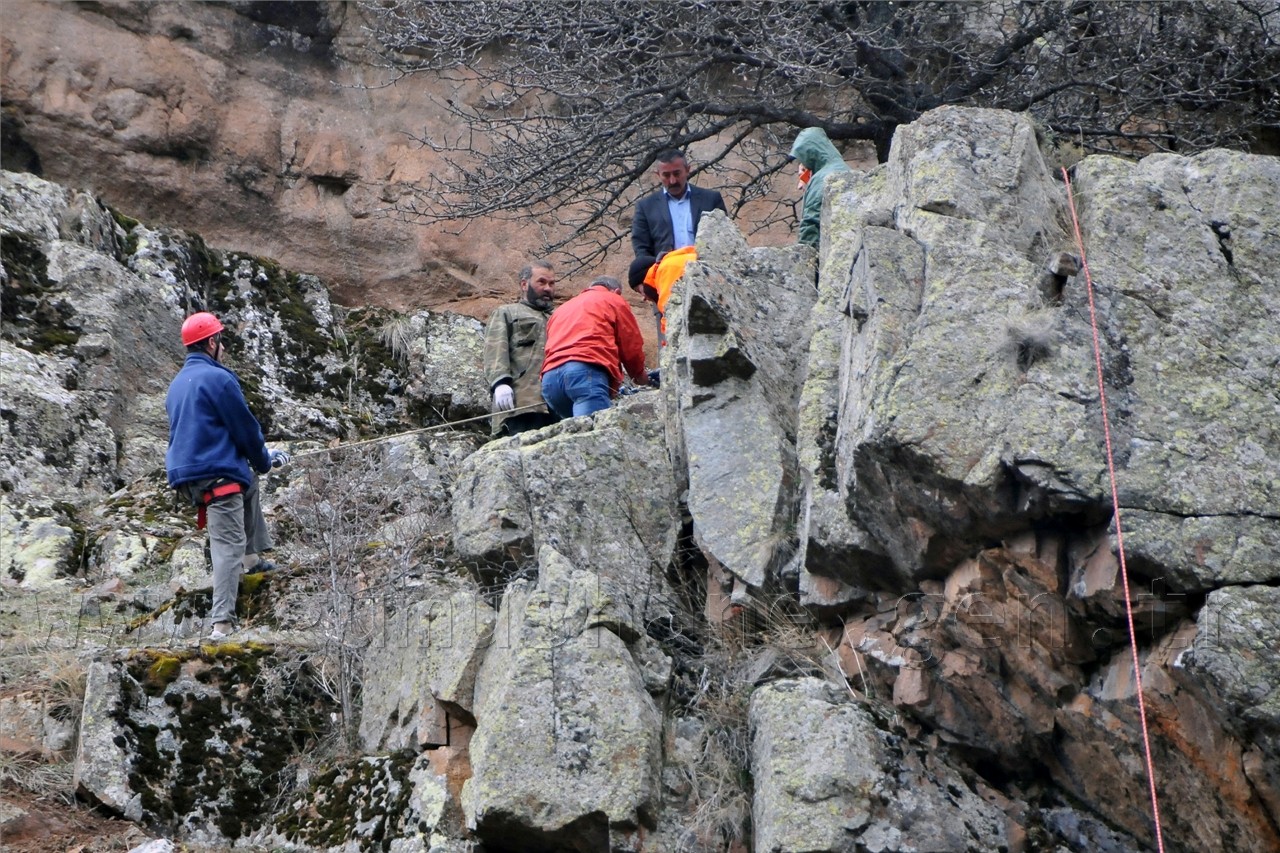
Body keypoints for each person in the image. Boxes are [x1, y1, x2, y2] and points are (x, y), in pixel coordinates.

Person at [165, 311, 288, 641]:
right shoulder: (219, 379)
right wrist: (266, 460)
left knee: (249, 483)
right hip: (217, 475)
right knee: (227, 543)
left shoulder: (178, 384)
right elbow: (245, 429)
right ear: (211, 342)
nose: (224, 347)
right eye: (221, 340)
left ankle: (252, 557)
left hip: (188, 475)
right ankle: (222, 625)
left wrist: (257, 467)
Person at [541, 276, 649, 418]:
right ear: (616, 291)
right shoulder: (613, 300)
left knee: (574, 435)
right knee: (592, 433)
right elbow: (630, 344)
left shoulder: (561, 310)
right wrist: (639, 376)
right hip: (584, 373)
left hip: (550, 380)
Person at [482, 261, 560, 436]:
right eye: (542, 282)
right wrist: (500, 383)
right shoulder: (507, 312)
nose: (548, 288)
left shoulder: (559, 318)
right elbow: (495, 349)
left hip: (557, 406)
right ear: (524, 284)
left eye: (552, 283)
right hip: (520, 405)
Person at [631, 149, 727, 260]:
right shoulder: (646, 207)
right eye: (666, 175)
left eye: (677, 174)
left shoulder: (711, 200)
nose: (672, 181)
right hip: (666, 271)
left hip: (705, 269)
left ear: (687, 170)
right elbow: (641, 248)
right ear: (658, 175)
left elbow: (724, 237)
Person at [789, 127, 852, 248]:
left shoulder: (822, 177)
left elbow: (811, 222)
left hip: (829, 251)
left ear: (811, 154)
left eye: (802, 159)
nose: (802, 166)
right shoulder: (845, 169)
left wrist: (806, 257)